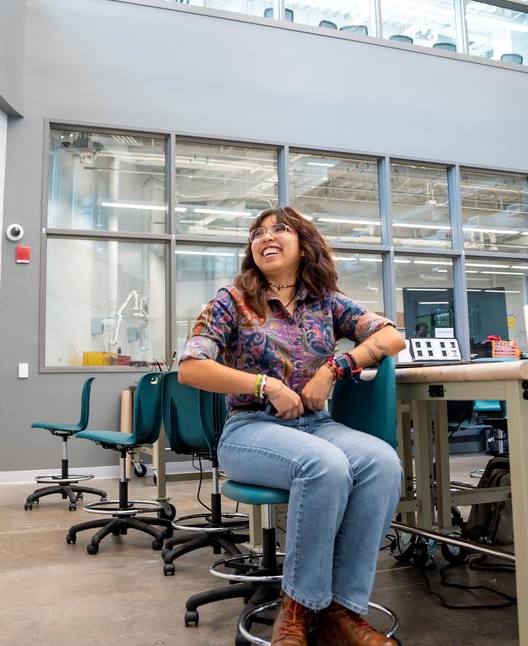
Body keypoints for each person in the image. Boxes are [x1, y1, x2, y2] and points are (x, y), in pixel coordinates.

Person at [179, 206, 405, 646]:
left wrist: (336, 367)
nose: (266, 237)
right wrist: (266, 385)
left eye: (280, 229)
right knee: (325, 466)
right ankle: (297, 610)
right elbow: (190, 368)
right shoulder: (232, 300)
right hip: (250, 429)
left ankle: (343, 613)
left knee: (382, 462)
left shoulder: (327, 302)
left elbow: (390, 335)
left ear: (304, 243)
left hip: (316, 424)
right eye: (257, 233)